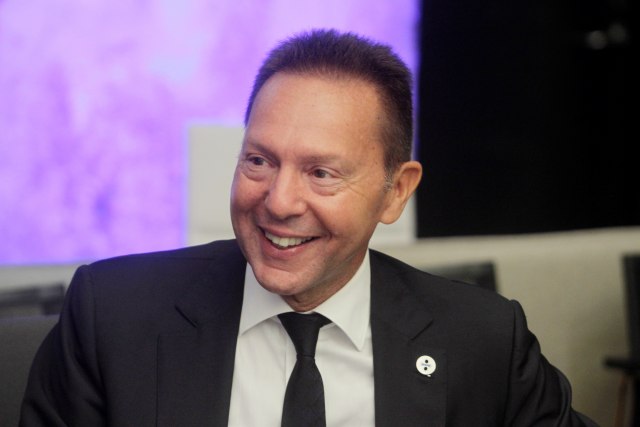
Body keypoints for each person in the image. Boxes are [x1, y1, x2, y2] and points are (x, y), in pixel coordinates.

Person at [20, 29, 596, 426]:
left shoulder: (483, 341)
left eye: (321, 173)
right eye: (259, 161)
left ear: (396, 191)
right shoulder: (112, 317)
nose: (279, 202)